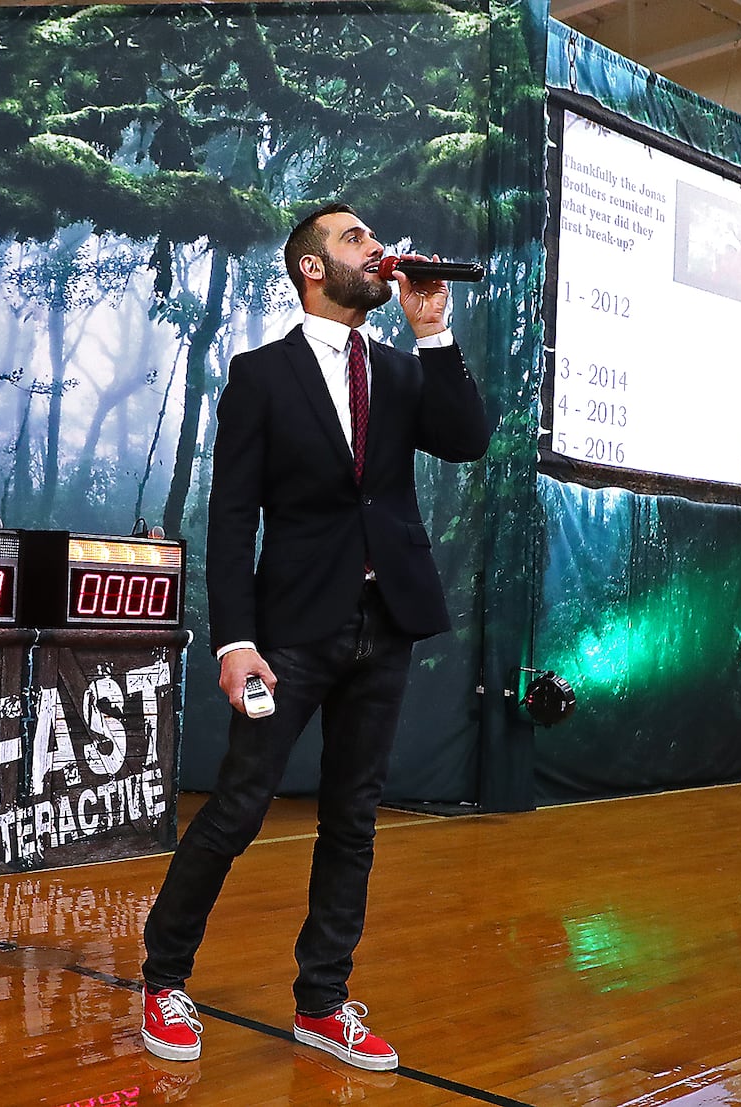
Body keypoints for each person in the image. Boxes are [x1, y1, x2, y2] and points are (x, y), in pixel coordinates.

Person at [139, 203, 491, 1071]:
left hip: (387, 623)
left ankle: (323, 1000)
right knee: (238, 808)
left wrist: (435, 333)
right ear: (311, 267)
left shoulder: (403, 373)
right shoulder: (261, 374)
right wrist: (234, 641)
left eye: (375, 240)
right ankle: (163, 978)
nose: (376, 250)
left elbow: (467, 438)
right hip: (290, 630)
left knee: (353, 819)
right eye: (356, 239)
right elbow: (230, 519)